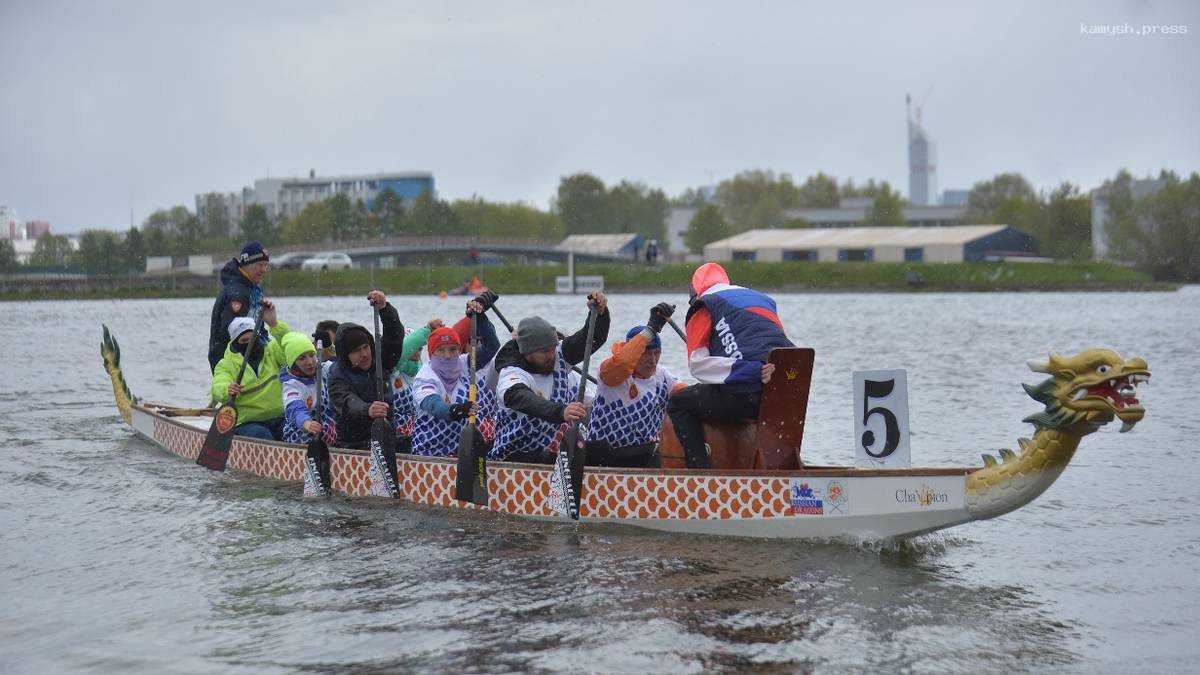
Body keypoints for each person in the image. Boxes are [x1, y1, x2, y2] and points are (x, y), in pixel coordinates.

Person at [666, 262, 793, 468]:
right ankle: (773, 465)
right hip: (784, 396)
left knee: (678, 403)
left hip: (748, 396)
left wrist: (753, 372)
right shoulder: (762, 299)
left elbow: (698, 366)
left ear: (694, 292)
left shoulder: (703, 305)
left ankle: (700, 475)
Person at [490, 292, 610, 463]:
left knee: (602, 449)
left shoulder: (557, 354)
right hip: (514, 456)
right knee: (551, 456)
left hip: (554, 453)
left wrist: (599, 313)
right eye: (544, 351)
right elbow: (523, 399)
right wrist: (561, 411)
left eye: (553, 348)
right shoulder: (512, 373)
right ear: (527, 352)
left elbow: (591, 338)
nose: (552, 355)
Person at [586, 303, 684, 467]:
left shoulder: (663, 376)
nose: (652, 361)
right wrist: (650, 330)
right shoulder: (609, 372)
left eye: (656, 353)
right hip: (604, 458)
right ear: (632, 350)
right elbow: (624, 362)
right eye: (645, 354)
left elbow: (687, 396)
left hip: (643, 456)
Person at [409, 301, 500, 456]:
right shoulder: (425, 377)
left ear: (459, 349)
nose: (448, 355)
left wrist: (480, 318)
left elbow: (492, 346)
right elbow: (435, 406)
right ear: (431, 353)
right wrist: (458, 410)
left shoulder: (465, 363)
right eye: (441, 350)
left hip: (460, 451)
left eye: (453, 349)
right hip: (429, 452)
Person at [327, 290, 405, 450]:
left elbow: (394, 337)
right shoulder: (337, 375)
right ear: (346, 355)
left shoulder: (379, 360)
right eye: (356, 351)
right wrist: (368, 409)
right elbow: (348, 403)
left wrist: (384, 309)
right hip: (354, 443)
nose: (364, 354)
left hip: (386, 435)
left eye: (365, 347)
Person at [210, 300, 291, 440]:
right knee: (262, 435)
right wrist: (227, 389)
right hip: (247, 422)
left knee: (294, 431)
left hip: (279, 418)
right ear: (235, 345)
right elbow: (217, 387)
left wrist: (274, 324)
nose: (250, 345)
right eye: (244, 342)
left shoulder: (272, 350)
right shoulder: (226, 364)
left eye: (253, 339)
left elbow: (290, 348)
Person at [208, 241, 270, 372]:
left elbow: (259, 326)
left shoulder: (255, 289)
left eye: (266, 265)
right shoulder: (238, 293)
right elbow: (232, 333)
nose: (264, 270)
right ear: (247, 263)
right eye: (260, 265)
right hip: (232, 362)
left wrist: (268, 349)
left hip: (252, 357)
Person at [279, 332, 337, 446]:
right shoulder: (291, 385)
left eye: (312, 355)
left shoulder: (324, 369)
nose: (310, 362)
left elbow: (342, 366)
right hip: (301, 434)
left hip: (327, 430)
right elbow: (295, 408)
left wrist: (330, 347)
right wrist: (306, 423)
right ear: (293, 363)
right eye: (302, 358)